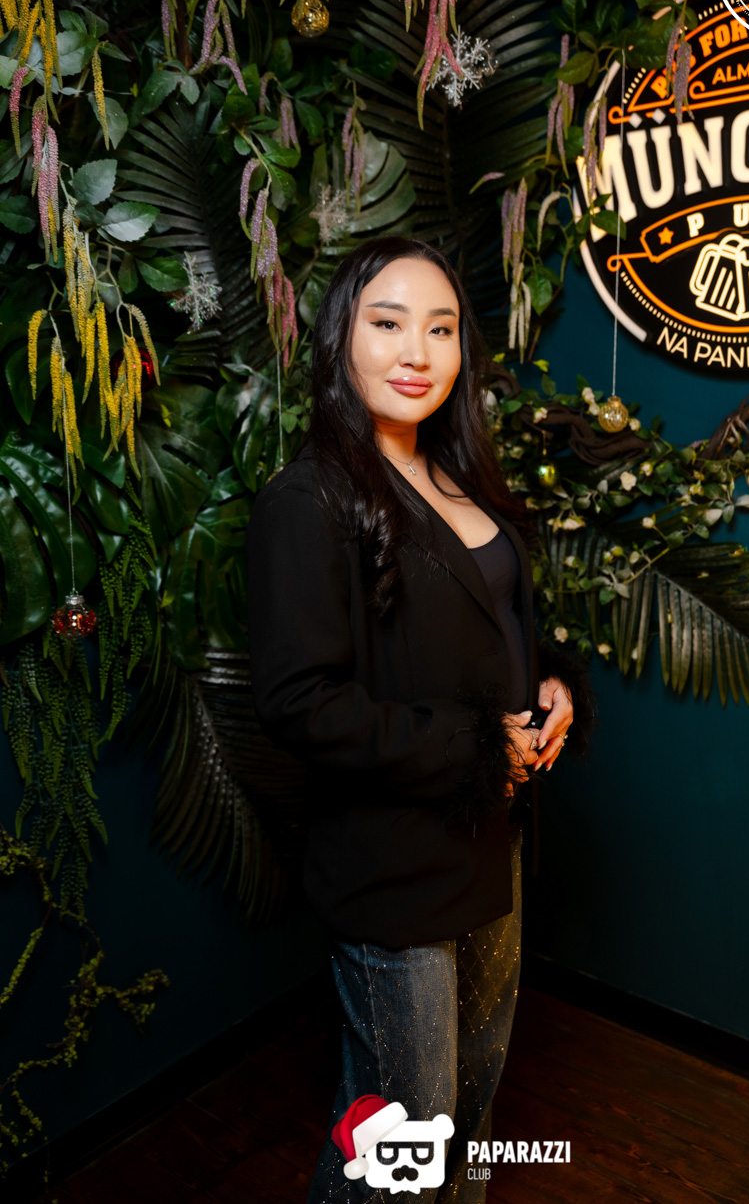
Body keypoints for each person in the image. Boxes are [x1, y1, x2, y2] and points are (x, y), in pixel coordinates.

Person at [245, 236, 596, 1202]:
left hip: (490, 843)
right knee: (403, 1139)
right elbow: (297, 702)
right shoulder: (307, 499)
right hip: (393, 865)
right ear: (340, 340)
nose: (416, 351)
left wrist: (550, 682)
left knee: (470, 1104)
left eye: (440, 329)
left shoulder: (458, 473)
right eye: (387, 322)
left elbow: (488, 624)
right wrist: (480, 742)